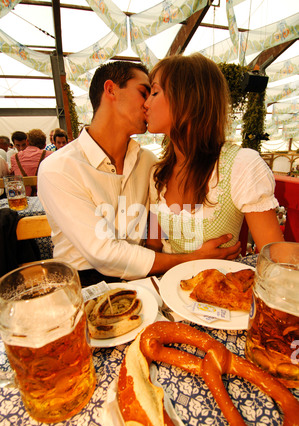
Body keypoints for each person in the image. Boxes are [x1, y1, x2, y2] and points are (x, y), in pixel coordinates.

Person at [38, 60, 241, 287]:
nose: (148, 104)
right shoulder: (59, 168)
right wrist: (193, 258)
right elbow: (103, 254)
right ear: (111, 89)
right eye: (145, 92)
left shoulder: (149, 162)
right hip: (83, 285)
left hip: (141, 280)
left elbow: (159, 220)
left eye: (154, 93)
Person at [144, 53, 284, 255]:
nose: (146, 104)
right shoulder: (158, 172)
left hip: (221, 285)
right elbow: (154, 246)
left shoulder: (241, 164)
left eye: (154, 93)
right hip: (164, 284)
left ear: (187, 100)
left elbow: (274, 258)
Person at [10, 129, 53, 196]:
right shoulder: (51, 155)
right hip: (45, 196)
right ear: (44, 145)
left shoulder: (14, 158)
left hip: (23, 198)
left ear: (27, 142)